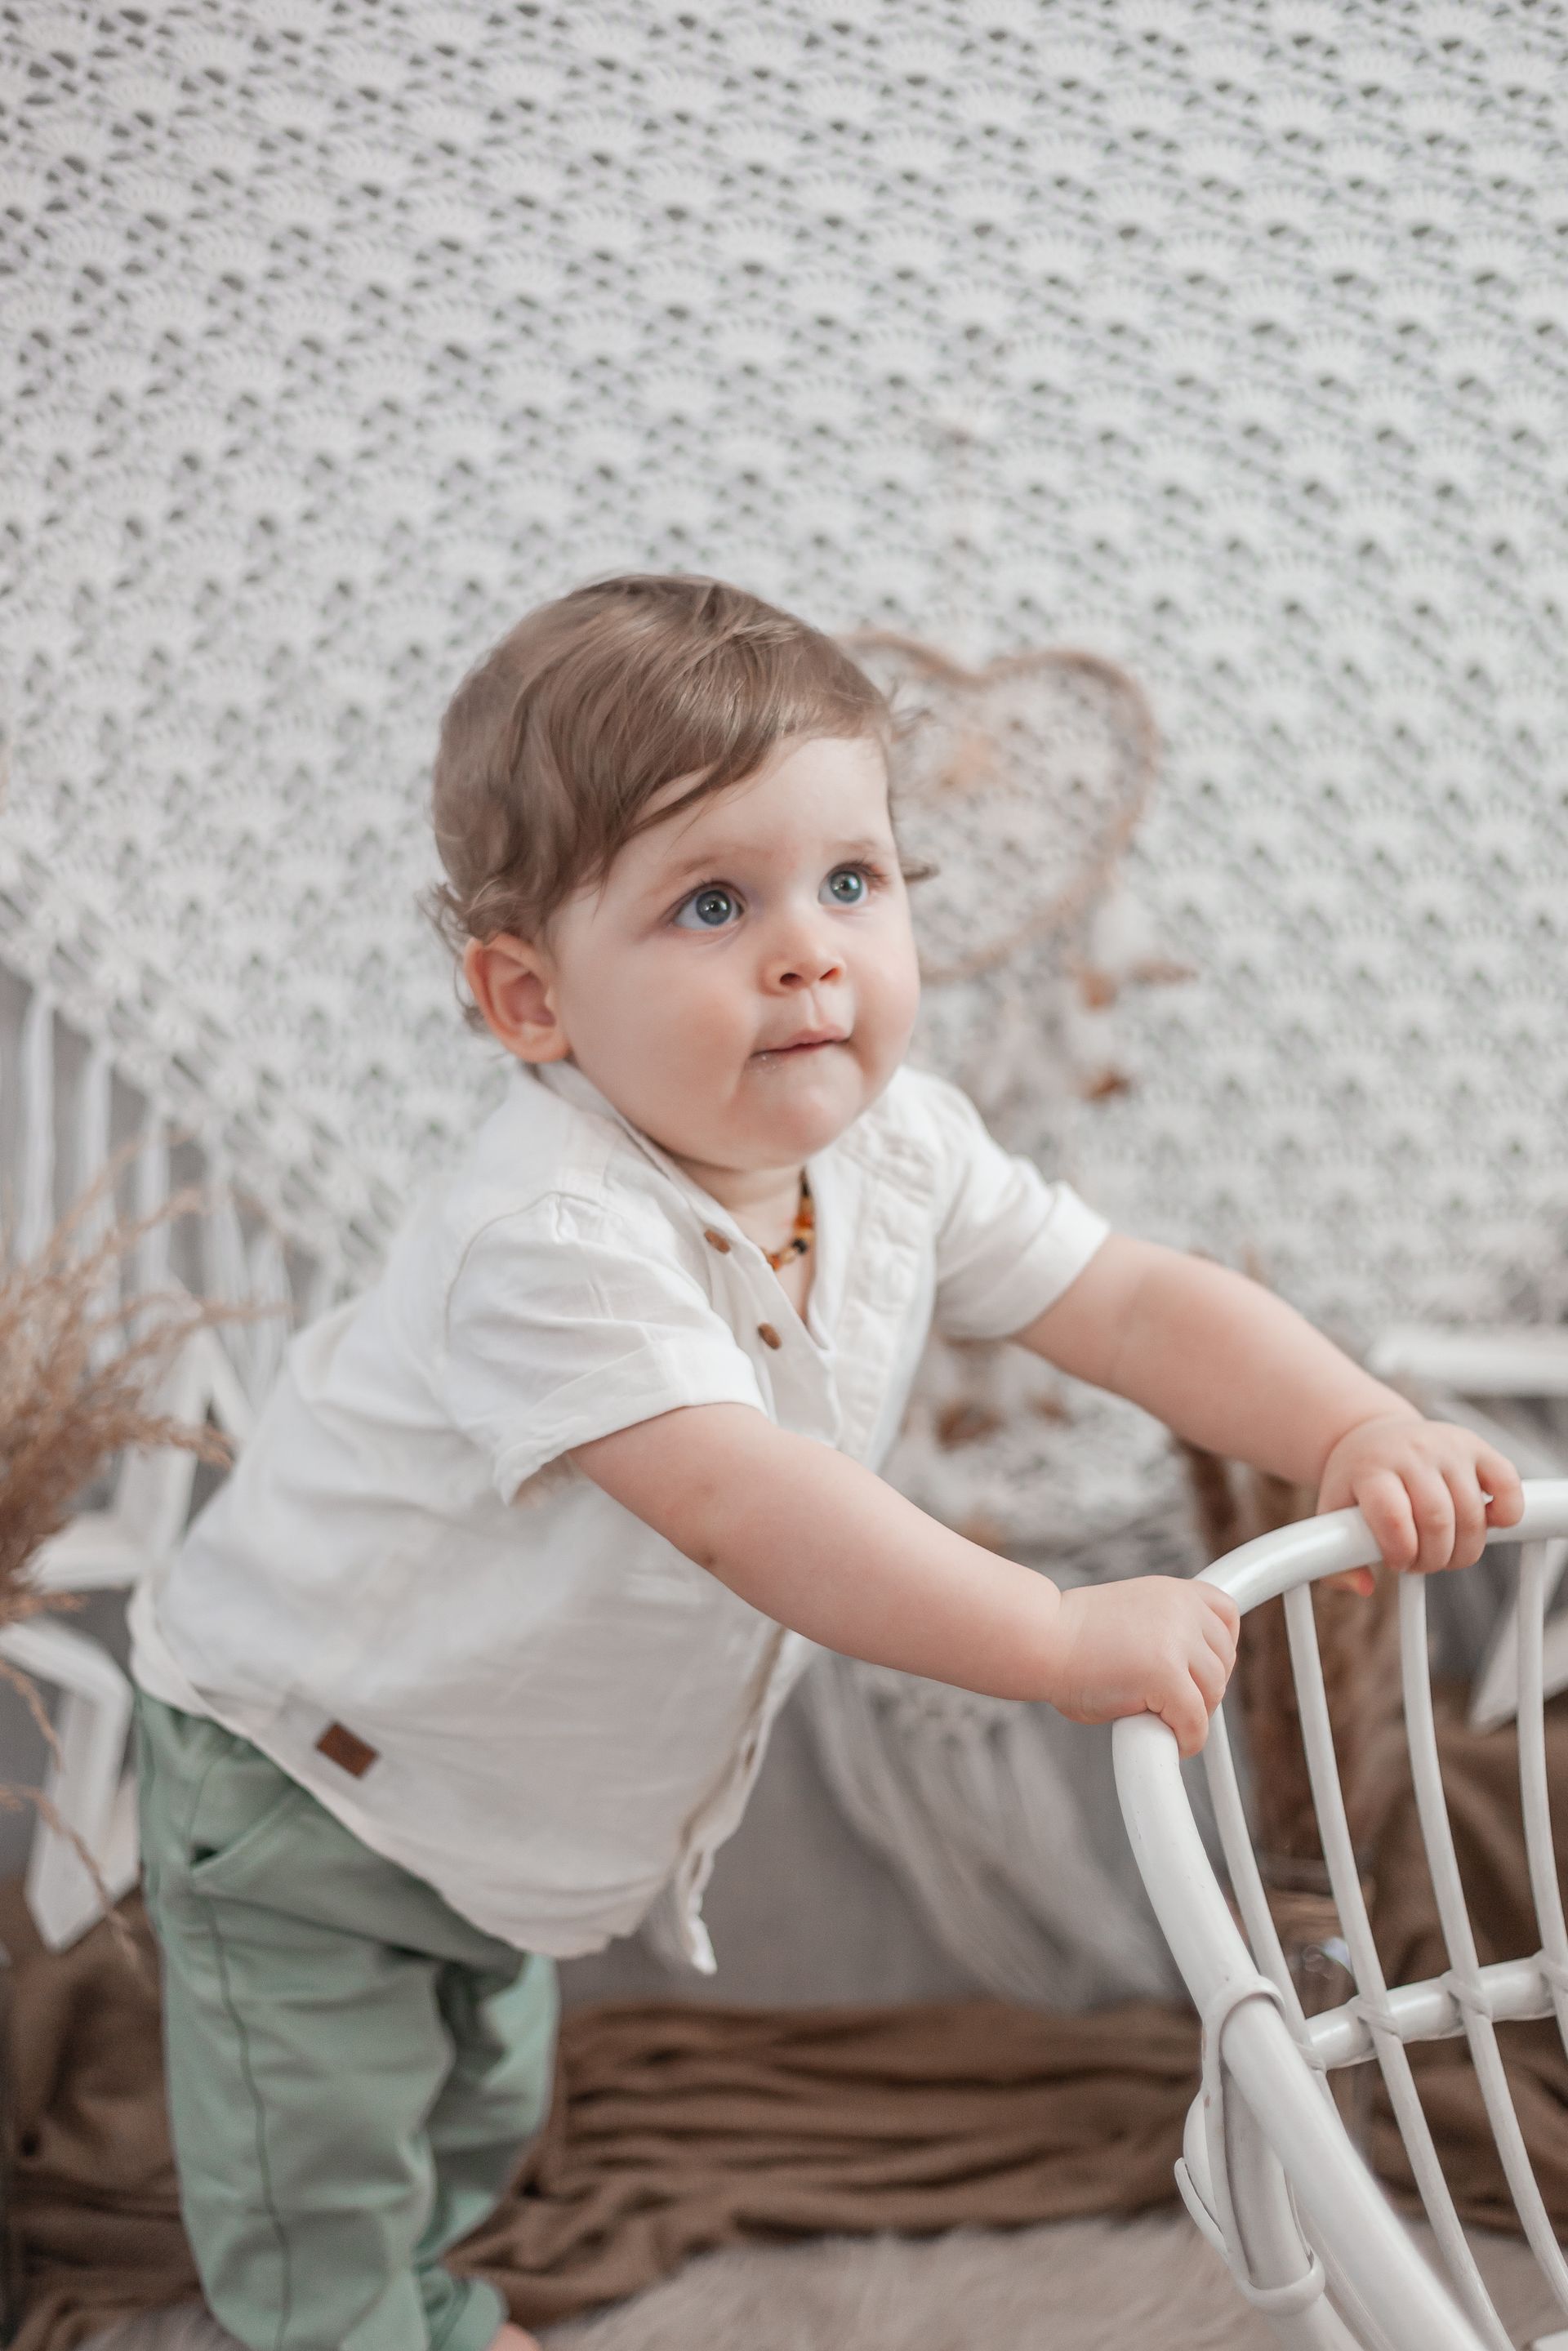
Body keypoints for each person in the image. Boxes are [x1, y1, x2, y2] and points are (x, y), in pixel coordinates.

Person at [128, 573, 1523, 2351]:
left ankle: (430, 2278)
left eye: (851, 883)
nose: (810, 952)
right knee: (316, 2170)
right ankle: (364, 2320)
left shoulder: (899, 1145)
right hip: (303, 1766)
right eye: (715, 902)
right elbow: (746, 1508)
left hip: (501, 1784)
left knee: (476, 2102)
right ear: (528, 999)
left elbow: (1133, 1304)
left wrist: (1353, 1422)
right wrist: (1053, 1638)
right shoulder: (547, 1236)